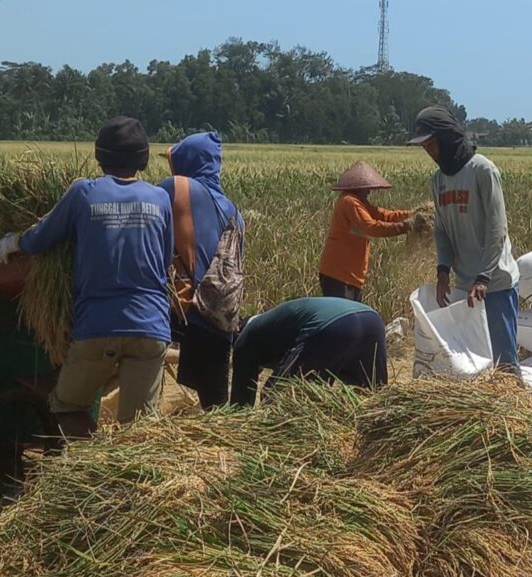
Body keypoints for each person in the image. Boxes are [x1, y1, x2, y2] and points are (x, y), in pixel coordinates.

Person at [0, 116, 173, 437]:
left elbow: (40, 238)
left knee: (67, 406)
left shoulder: (83, 193)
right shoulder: (160, 198)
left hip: (98, 327)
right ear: (143, 159)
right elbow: (164, 262)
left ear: (100, 156)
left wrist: (11, 243)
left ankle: (94, 463)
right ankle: (121, 475)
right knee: (139, 431)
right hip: (151, 328)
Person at [409, 105, 521, 373]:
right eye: (424, 147)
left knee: (503, 364)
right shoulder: (438, 181)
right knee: (474, 363)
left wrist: (483, 277)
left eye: (431, 145)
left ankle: (511, 413)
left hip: (495, 284)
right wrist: (443, 272)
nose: (428, 152)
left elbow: (497, 228)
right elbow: (442, 231)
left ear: (446, 139)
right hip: (464, 287)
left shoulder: (482, 170)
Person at [158, 132, 244, 410]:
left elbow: (144, 212)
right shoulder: (234, 211)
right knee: (214, 405)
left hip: (179, 309)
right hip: (218, 315)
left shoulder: (179, 186)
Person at [230, 297, 387, 406]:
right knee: (375, 400)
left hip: (331, 325)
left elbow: (241, 405)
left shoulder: (244, 339)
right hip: (372, 321)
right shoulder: (272, 324)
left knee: (278, 397)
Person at [318, 161, 413, 301]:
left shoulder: (360, 203)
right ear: (358, 187)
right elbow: (371, 227)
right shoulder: (350, 202)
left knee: (349, 316)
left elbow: (385, 215)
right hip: (340, 274)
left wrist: (413, 214)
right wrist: (405, 227)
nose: (369, 191)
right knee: (345, 318)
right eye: (366, 188)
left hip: (348, 275)